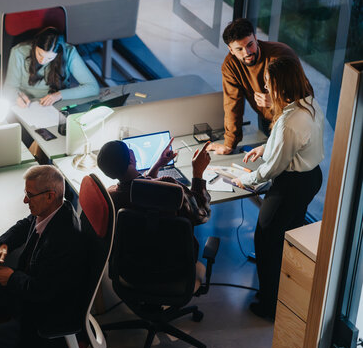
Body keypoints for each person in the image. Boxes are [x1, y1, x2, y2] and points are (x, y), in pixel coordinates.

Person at [232, 56, 324, 319]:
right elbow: (293, 144)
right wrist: (265, 147)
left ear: (279, 84)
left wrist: (246, 180)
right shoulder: (308, 103)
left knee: (266, 239)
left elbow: (273, 169)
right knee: (286, 237)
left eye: (268, 83)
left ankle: (270, 305)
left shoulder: (289, 121)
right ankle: (284, 292)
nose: (265, 88)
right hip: (311, 178)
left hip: (291, 185)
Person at [0, 165, 87, 348]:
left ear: (50, 195)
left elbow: (44, 292)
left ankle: (5, 339)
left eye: (30, 194)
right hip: (25, 294)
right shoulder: (54, 209)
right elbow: (25, 224)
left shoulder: (64, 240)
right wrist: (4, 246)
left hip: (41, 314)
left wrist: (12, 278)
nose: (25, 200)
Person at [97, 138, 212, 263]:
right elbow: (202, 214)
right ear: (130, 159)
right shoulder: (169, 187)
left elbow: (139, 187)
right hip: (173, 266)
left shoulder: (109, 196)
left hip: (133, 267)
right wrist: (198, 172)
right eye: (129, 149)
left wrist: (157, 165)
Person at [208, 18, 307, 155]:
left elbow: (306, 99)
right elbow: (232, 104)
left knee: (295, 163)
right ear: (230, 49)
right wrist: (229, 144)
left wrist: (277, 101)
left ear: (256, 38)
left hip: (294, 121)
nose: (247, 52)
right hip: (267, 119)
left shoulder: (282, 55)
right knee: (272, 162)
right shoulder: (230, 66)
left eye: (250, 45)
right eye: (239, 49)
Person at [2, 27, 99, 108]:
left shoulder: (69, 52)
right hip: (29, 104)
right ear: (35, 45)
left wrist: (59, 95)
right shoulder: (18, 52)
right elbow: (9, 88)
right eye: (40, 54)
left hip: (58, 102)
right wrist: (17, 97)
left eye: (50, 58)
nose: (43, 61)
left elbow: (93, 87)